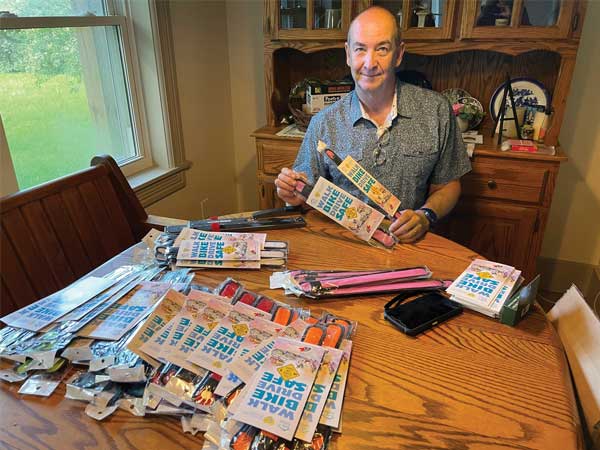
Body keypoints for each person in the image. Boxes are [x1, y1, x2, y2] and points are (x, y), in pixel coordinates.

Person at [275, 6, 471, 244]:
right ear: (348, 54)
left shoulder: (436, 111)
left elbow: (449, 184)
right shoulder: (324, 122)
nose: (369, 63)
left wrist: (425, 215)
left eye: (382, 49)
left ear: (399, 54)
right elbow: (304, 194)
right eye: (360, 49)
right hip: (344, 245)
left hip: (409, 248)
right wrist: (292, 192)